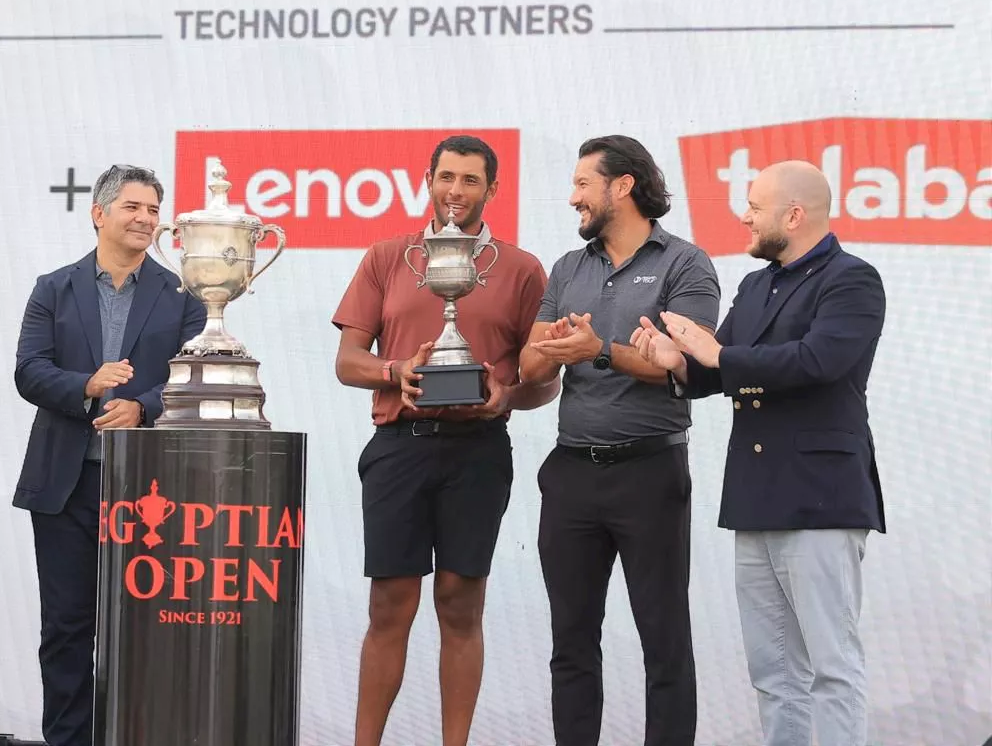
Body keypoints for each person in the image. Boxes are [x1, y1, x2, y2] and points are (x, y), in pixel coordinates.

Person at [630, 159, 886, 746]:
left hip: (821, 497)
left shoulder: (852, 279)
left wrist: (715, 356)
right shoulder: (754, 285)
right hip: (756, 496)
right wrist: (678, 364)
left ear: (793, 216)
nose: (743, 217)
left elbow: (818, 361)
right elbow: (720, 370)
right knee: (773, 671)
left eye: (754, 207)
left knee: (832, 665)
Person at [331, 134, 558, 746]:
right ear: (428, 180)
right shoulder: (387, 257)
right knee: (390, 602)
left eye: (471, 180)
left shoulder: (521, 269)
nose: (456, 191)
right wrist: (395, 371)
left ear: (492, 189)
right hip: (398, 446)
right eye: (447, 177)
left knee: (460, 602)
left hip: (477, 451)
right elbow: (348, 361)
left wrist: (504, 397)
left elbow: (545, 381)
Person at [518, 135, 721, 746]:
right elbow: (530, 366)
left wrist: (598, 350)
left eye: (583, 184)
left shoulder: (686, 263)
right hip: (571, 475)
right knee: (571, 641)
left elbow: (686, 366)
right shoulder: (567, 268)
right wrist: (557, 346)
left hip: (649, 473)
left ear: (623, 186)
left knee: (664, 639)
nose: (572, 197)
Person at [12, 164, 207, 746]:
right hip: (67, 486)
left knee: (149, 630)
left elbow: (195, 376)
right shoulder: (53, 288)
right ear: (99, 214)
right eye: (133, 207)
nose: (146, 219)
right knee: (66, 628)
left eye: (153, 210)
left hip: (152, 491)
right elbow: (28, 371)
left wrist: (142, 407)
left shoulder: (183, 295)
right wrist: (87, 386)